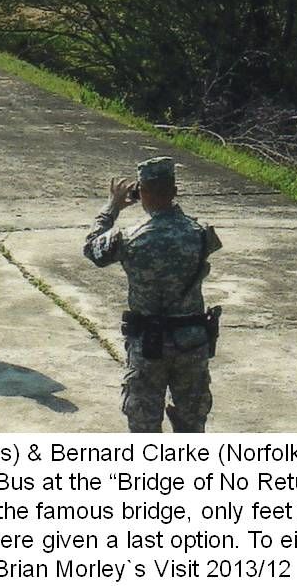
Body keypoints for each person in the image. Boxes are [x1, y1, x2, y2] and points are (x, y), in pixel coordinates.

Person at [83, 157, 222, 432]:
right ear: (175, 190)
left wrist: (112, 206)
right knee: (192, 425)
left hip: (149, 346)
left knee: (144, 426)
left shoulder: (128, 237)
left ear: (142, 192)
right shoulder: (201, 233)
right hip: (191, 342)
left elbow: (92, 249)